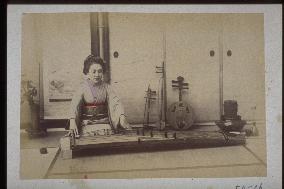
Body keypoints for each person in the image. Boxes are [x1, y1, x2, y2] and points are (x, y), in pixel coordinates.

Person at [68, 55, 131, 137]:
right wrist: (72, 120)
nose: (97, 74)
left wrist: (121, 116)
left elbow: (116, 103)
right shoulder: (82, 88)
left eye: (100, 71)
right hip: (86, 124)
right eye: (93, 71)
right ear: (87, 72)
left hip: (104, 123)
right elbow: (74, 105)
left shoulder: (107, 88)